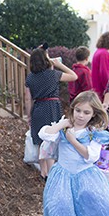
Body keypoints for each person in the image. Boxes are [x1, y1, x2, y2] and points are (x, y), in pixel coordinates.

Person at [25, 46, 78, 178]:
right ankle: (52, 172)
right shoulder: (53, 74)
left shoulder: (30, 78)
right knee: (52, 138)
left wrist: (29, 115)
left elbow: (27, 98)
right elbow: (74, 76)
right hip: (52, 107)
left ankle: (43, 172)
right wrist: (60, 65)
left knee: (40, 140)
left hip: (38, 108)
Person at [91, 31, 109, 100]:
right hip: (103, 91)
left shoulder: (99, 51)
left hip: (99, 90)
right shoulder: (104, 53)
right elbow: (104, 73)